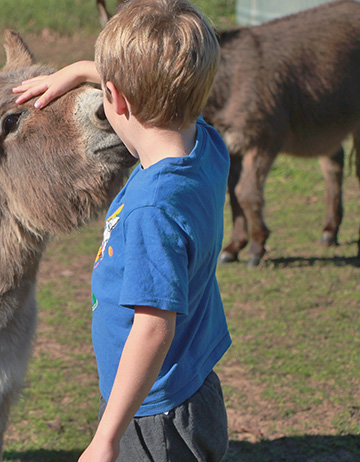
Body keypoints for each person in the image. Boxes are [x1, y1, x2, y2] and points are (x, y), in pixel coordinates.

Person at [13, 1, 231, 461]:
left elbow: (153, 328)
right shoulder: (206, 145)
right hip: (190, 386)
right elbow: (160, 83)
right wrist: (79, 72)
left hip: (153, 413)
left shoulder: (153, 208)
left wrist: (107, 436)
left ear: (116, 100)